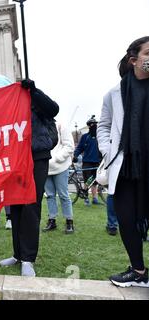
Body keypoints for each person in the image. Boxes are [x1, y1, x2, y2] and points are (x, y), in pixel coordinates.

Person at [97, 36, 149, 288]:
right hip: (125, 166)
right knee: (126, 220)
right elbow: (103, 126)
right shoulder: (113, 94)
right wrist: (109, 150)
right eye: (148, 53)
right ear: (134, 59)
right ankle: (138, 272)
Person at [0, 76, 59, 277]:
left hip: (36, 157)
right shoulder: (2, 109)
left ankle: (28, 259)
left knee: (31, 207)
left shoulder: (32, 99)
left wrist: (34, 91)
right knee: (15, 207)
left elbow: (53, 109)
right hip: (14, 160)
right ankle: (18, 254)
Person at [43, 121, 75, 234]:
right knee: (49, 195)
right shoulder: (40, 125)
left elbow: (69, 146)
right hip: (46, 167)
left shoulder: (61, 125)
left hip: (60, 166)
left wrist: (56, 159)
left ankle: (69, 221)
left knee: (63, 194)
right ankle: (52, 220)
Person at [73, 116, 102, 205]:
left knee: (95, 181)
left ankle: (94, 198)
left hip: (97, 162)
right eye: (93, 124)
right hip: (87, 162)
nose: (95, 126)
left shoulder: (100, 137)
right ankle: (86, 198)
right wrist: (75, 155)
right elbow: (80, 148)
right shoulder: (85, 137)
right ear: (89, 126)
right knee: (88, 180)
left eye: (96, 124)